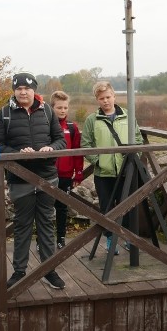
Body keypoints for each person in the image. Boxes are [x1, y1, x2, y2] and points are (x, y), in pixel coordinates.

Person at [0, 72, 66, 290]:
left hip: (47, 177)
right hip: (19, 178)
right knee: (22, 226)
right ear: (14, 91)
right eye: (19, 88)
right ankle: (19, 272)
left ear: (34, 90)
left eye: (27, 88)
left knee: (46, 224)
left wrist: (51, 148)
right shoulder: (4, 113)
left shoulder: (48, 111)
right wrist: (16, 153)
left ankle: (49, 270)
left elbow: (60, 139)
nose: (23, 92)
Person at [81, 81, 134, 255]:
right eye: (101, 98)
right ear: (97, 100)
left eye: (108, 97)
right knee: (107, 207)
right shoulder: (92, 120)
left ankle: (128, 238)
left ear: (114, 96)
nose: (106, 101)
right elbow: (86, 144)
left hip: (125, 171)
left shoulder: (128, 116)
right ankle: (111, 240)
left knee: (127, 206)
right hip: (103, 173)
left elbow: (138, 140)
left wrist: (133, 160)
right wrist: (98, 161)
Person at [50, 91, 83, 249]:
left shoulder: (72, 127)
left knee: (62, 207)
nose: (63, 110)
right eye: (59, 107)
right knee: (45, 208)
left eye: (65, 107)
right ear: (52, 108)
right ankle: (44, 239)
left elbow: (77, 152)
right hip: (47, 174)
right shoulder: (45, 126)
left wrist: (79, 173)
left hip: (65, 175)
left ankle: (61, 237)